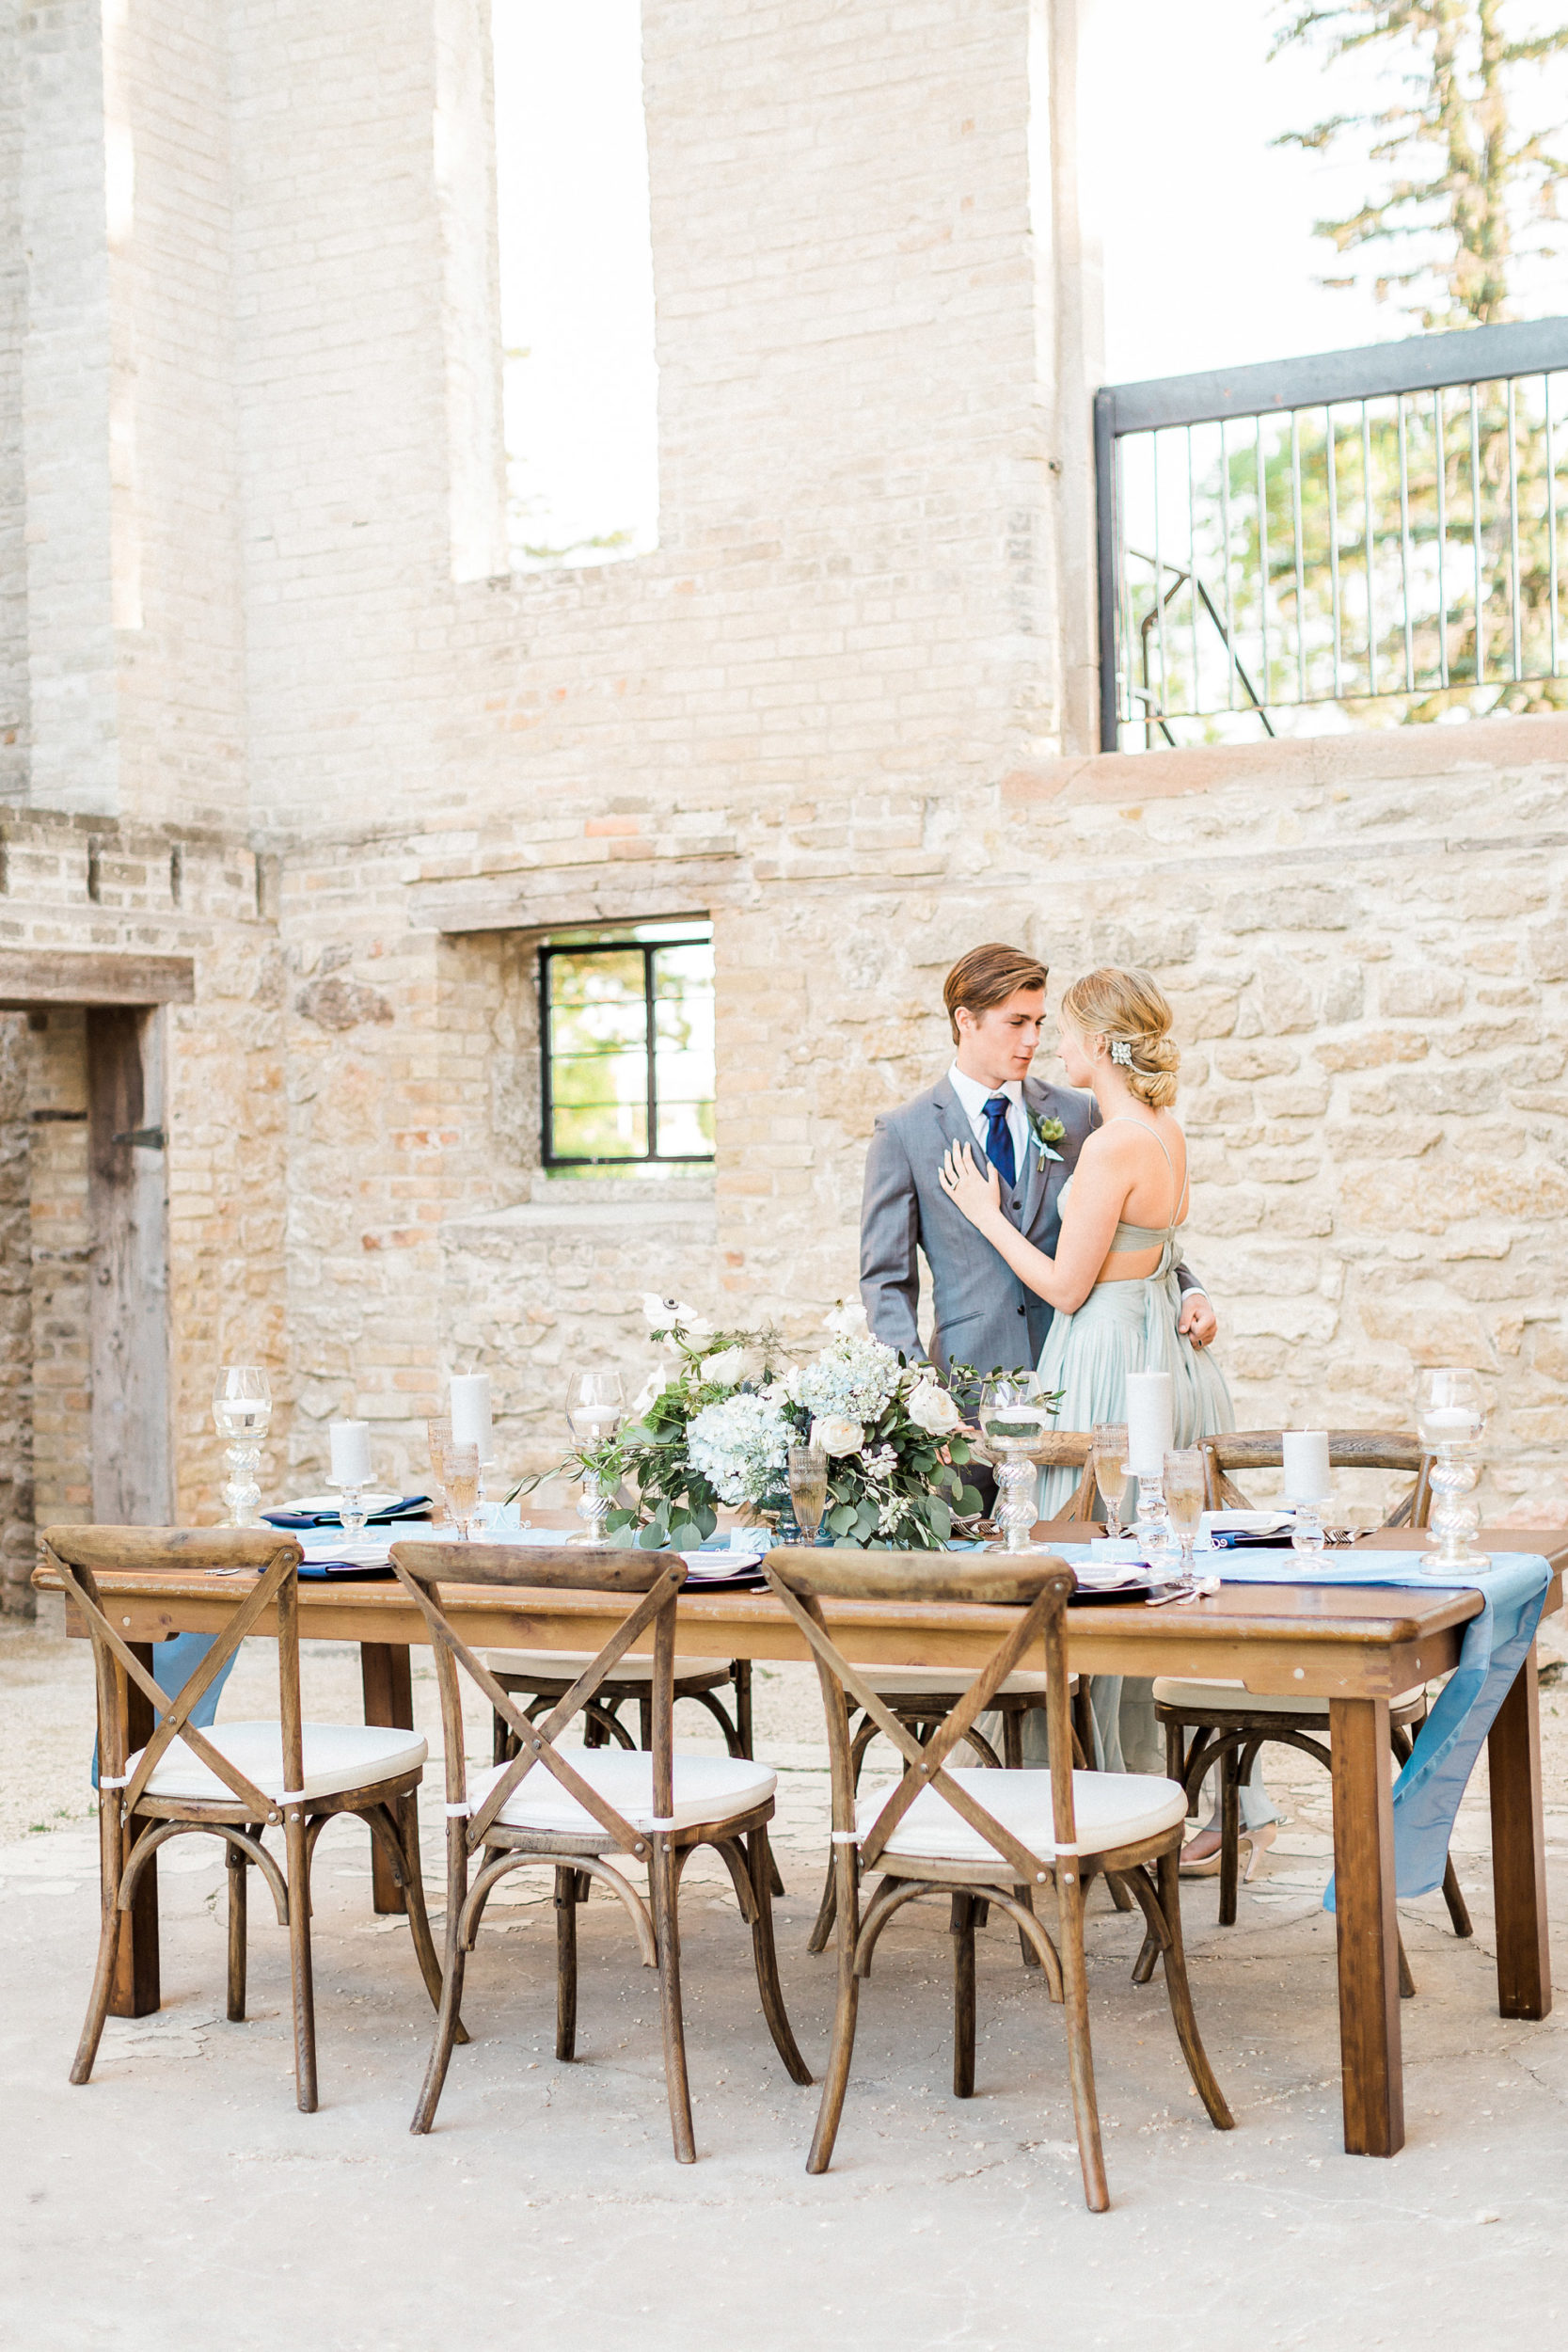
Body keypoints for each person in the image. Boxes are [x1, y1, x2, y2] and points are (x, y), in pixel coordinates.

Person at [936, 963, 1275, 1869]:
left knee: (1085, 1573)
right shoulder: (1163, 1129)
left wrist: (985, 1212)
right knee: (1151, 1573)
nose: (1051, 1045)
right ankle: (1157, 1791)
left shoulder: (1113, 1143)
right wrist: (1191, 1292)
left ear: (1099, 1043)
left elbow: (1062, 1284)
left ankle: (1100, 1800)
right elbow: (1157, 1251)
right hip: (1159, 1352)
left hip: (1104, 1361)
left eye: (1063, 1031)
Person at [859, 942, 1216, 1384]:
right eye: (1017, 1022)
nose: (1033, 1040)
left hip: (1080, 1370)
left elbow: (1133, 1224)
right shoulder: (903, 1133)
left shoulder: (1082, 1114)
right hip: (969, 1383)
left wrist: (1189, 1288)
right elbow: (886, 1283)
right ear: (965, 1020)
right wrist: (917, 1391)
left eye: (1039, 1022)